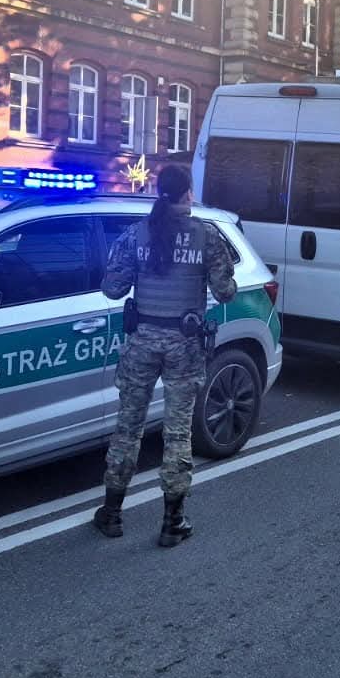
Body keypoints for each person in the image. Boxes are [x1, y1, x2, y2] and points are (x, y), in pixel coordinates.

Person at [94, 164, 236, 547]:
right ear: (188, 193)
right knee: (177, 432)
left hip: (141, 341)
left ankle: (112, 513)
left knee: (128, 427)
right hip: (184, 345)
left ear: (160, 192)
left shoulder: (136, 233)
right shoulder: (206, 236)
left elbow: (112, 288)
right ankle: (173, 522)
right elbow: (225, 292)